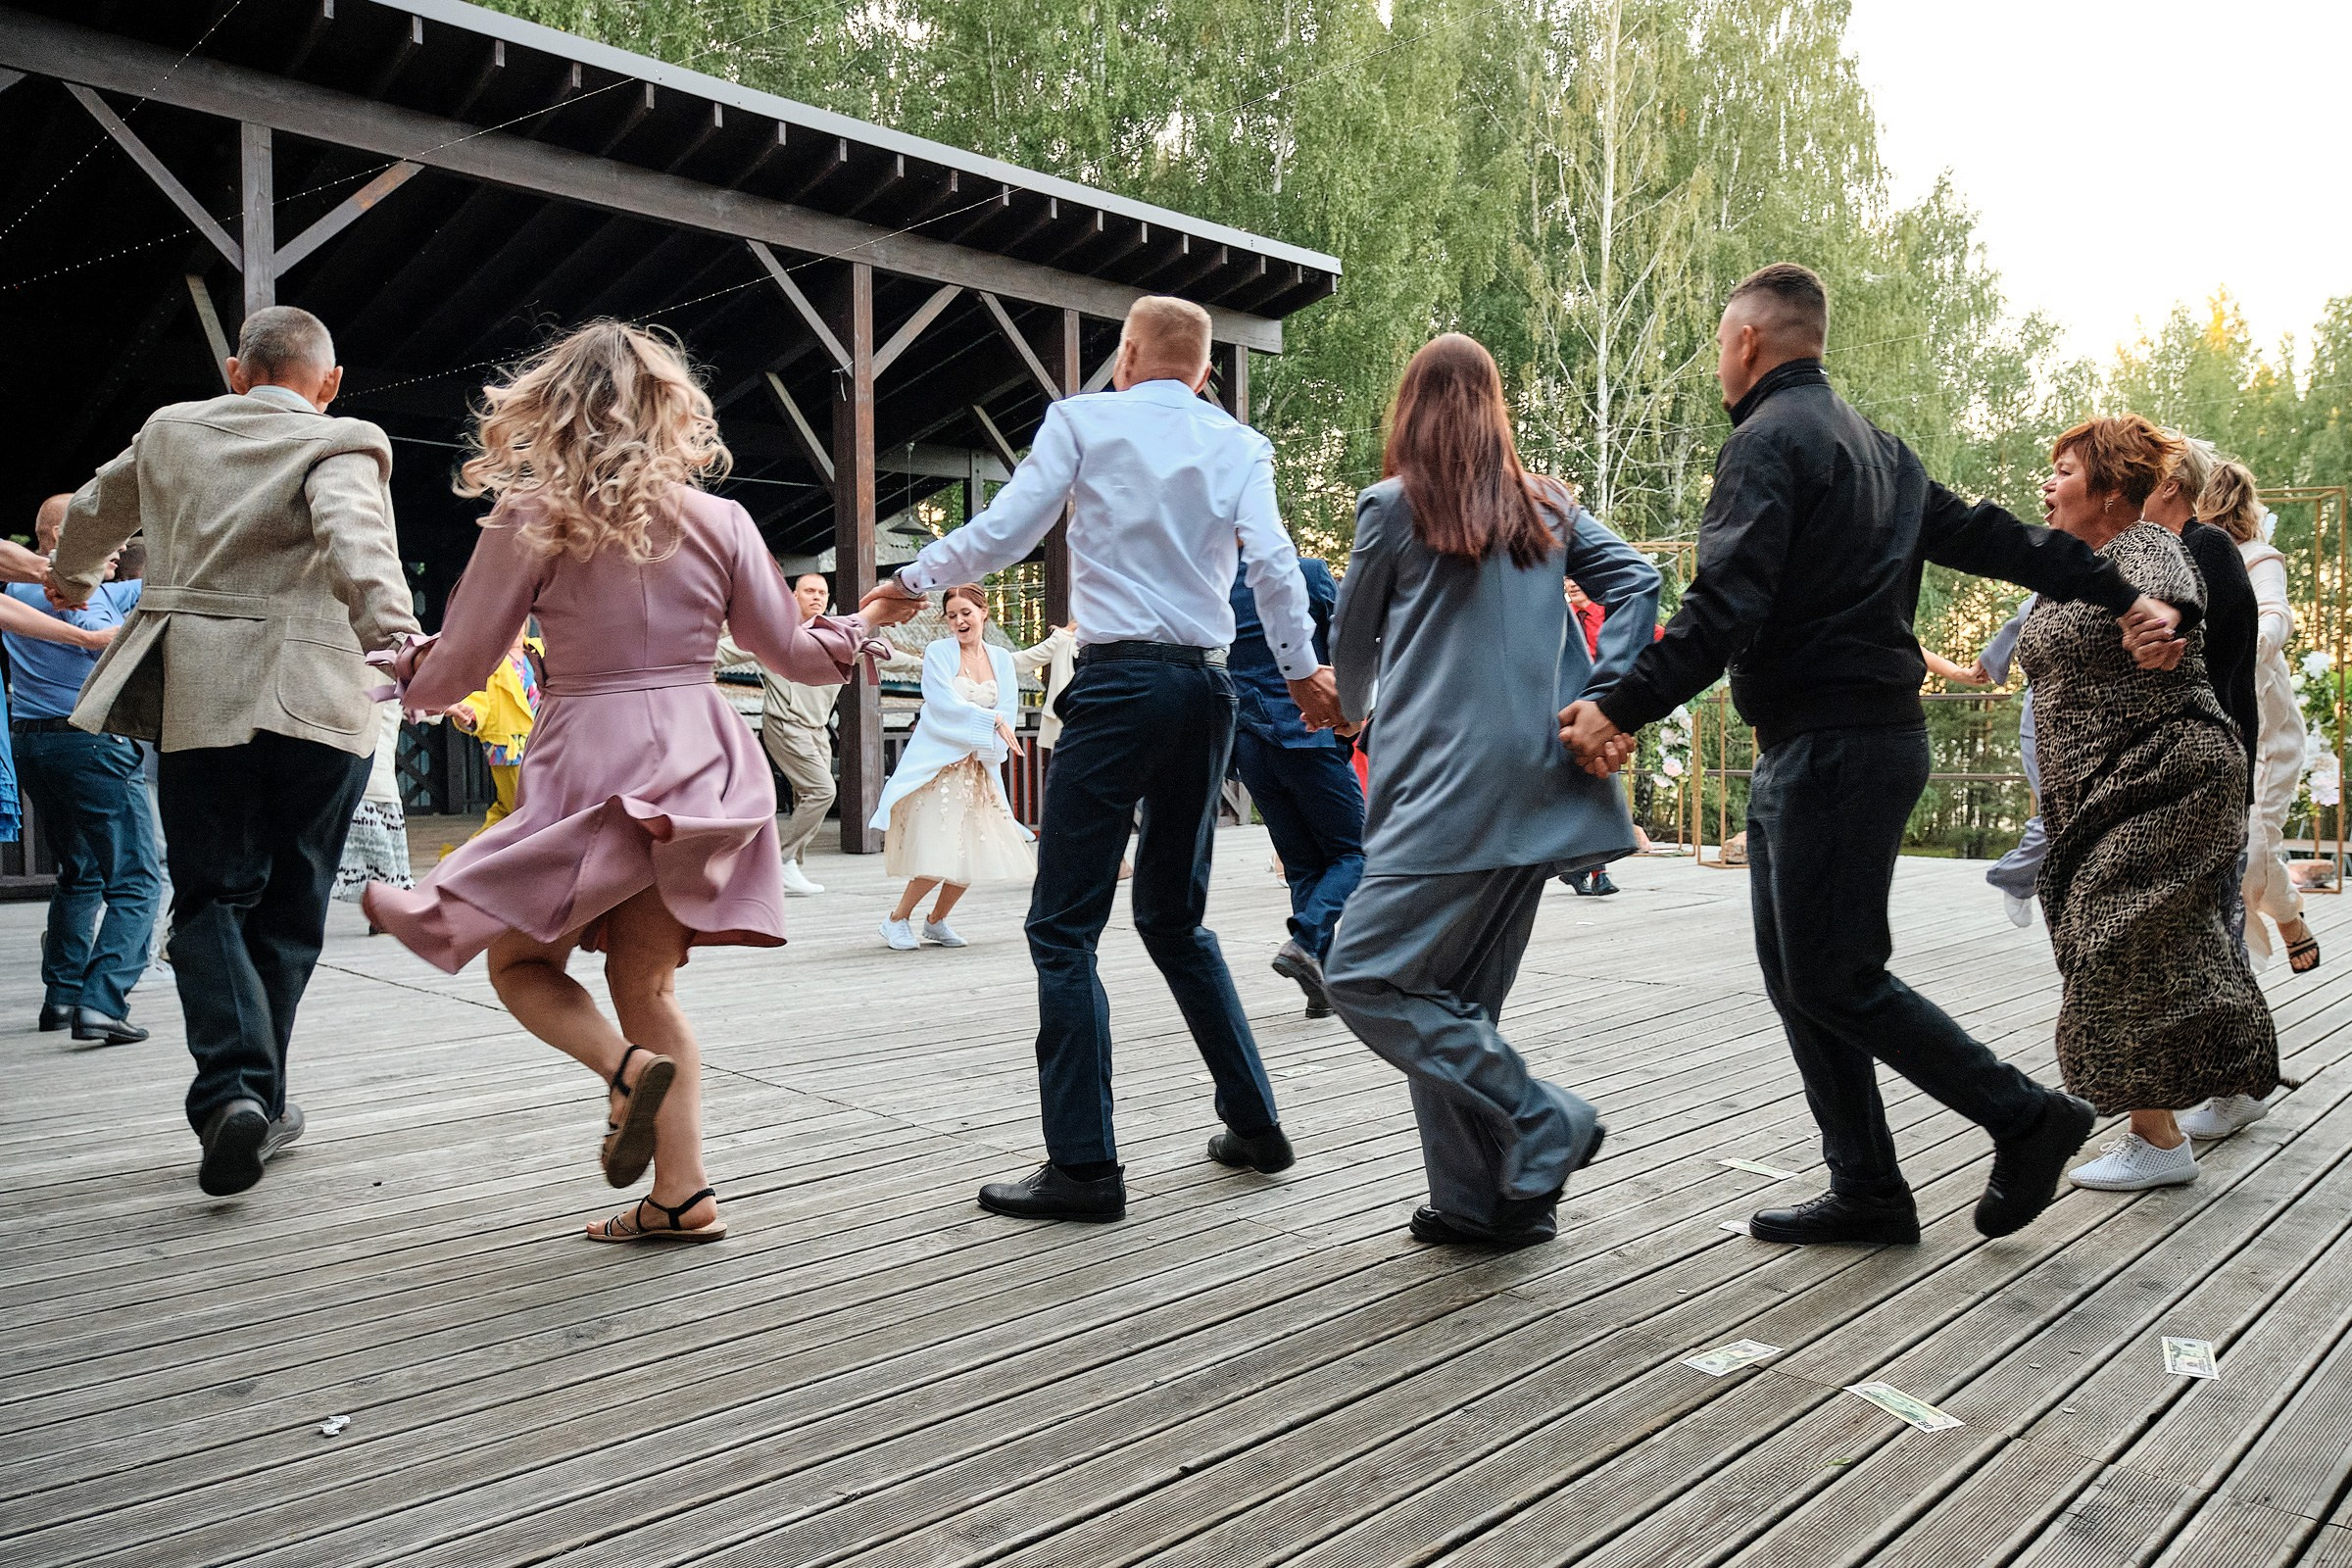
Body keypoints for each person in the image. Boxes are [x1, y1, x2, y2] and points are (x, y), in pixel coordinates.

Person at [1560, 263, 2191, 1248]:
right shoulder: (1878, 451)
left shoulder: (1765, 443)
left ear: (1746, 344)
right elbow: (2000, 539)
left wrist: (1618, 706)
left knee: (1836, 974)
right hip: (1842, 745)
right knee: (1801, 973)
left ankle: (2026, 1115)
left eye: (1722, 344)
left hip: (1835, 749)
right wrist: (2119, 592)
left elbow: (1725, 605)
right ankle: (1866, 1186)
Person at [366, 319, 885, 1244]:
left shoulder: (534, 517)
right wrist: (858, 626)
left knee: (522, 961)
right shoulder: (722, 520)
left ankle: (619, 1068)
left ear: (553, 411)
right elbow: (794, 656)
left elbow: (462, 665)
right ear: (670, 412)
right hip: (700, 760)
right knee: (649, 983)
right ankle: (682, 1197)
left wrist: (406, 666)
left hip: (587, 758)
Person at [861, 294, 1343, 1222]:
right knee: (1175, 920)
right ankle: (1257, 1123)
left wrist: (909, 583)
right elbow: (1275, 569)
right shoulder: (1239, 447)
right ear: (1203, 371)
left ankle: (1084, 1168)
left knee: (1064, 928)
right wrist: (1305, 674)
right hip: (1206, 692)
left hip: (1119, 687)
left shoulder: (1080, 420)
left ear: (1126, 356)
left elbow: (1003, 532)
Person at [47, 305, 421, 1196]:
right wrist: (398, 641)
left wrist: (72, 578)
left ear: (234, 369)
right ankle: (258, 1100)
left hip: (202, 697)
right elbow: (354, 538)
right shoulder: (346, 437)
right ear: (327, 384)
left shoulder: (171, 430)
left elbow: (96, 509)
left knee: (212, 896)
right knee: (291, 911)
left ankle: (233, 1099)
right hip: (321, 701)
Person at [1325, 333, 1660, 1247]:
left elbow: (1354, 646)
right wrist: (1604, 695)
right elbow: (1640, 580)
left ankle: (1543, 1119)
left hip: (1440, 783)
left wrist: (1349, 713)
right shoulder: (1548, 505)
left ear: (1412, 407)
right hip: (1543, 781)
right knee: (1454, 1002)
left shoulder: (1391, 507)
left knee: (1363, 974)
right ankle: (1492, 1201)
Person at [2009, 417, 2279, 1192]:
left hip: (2163, 776)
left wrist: (2170, 623)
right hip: (2100, 788)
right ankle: (2230, 1078)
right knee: (2163, 941)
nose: (2048, 483)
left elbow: (2174, 596)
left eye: (2063, 471)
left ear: (2111, 490)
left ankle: (2156, 1138)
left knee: (2107, 933)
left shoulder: (2144, 546)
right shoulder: (2075, 566)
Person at [6, 495, 160, 1044]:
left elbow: (151, 585)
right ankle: (103, 1002)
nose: (117, 542)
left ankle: (64, 998)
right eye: (102, 530)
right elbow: (105, 636)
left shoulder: (19, 590)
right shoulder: (76, 593)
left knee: (81, 872)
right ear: (58, 535)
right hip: (91, 745)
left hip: (34, 744)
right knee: (139, 878)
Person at [1227, 553, 1363, 1017]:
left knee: (1305, 864)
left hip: (1250, 741)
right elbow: (1349, 640)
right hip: (1309, 730)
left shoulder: (1215, 583)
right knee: (1358, 851)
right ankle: (1304, 939)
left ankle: (1318, 984)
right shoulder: (1305, 573)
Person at [871, 583, 1035, 949]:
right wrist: (988, 721)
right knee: (941, 850)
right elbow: (941, 704)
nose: (960, 621)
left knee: (973, 852)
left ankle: (937, 920)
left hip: (978, 770)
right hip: (939, 768)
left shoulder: (1002, 659)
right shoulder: (938, 653)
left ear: (983, 613)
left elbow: (1007, 710)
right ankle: (896, 918)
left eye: (966, 613)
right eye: (952, 616)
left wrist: (990, 734)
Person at [2203, 464, 2318, 983]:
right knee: (2227, 845)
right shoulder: (2184, 554)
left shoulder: (2259, 558)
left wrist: (2246, 642)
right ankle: (2232, 958)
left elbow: (2275, 615)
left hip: (2268, 733)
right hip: (2217, 721)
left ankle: (2288, 921)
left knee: (2255, 841)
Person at [716, 571, 850, 897]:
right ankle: (782, 862)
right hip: (785, 724)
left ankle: (788, 866)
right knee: (823, 791)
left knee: (810, 797)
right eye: (809, 591)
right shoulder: (773, 634)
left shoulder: (837, 638)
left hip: (817, 731)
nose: (817, 597)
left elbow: (881, 655)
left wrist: (926, 662)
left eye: (822, 592)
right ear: (793, 596)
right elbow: (721, 652)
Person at [447, 626, 540, 835]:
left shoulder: (538, 650)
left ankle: (469, 860)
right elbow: (477, 701)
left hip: (540, 742)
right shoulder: (489, 662)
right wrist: (469, 717)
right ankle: (472, 861)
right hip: (506, 748)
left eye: (520, 621)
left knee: (508, 811)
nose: (515, 628)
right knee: (523, 809)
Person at [333, 701, 413, 911]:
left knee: (385, 861)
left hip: (377, 779)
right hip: (364, 777)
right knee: (383, 863)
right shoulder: (382, 680)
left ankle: (384, 910)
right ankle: (386, 910)